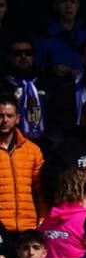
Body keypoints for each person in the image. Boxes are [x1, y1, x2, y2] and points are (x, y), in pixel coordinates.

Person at [0, 92, 45, 234]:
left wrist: (43, 218)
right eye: (0, 116)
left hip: (28, 229)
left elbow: (40, 191)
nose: (4, 120)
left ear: (18, 118)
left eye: (9, 116)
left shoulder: (32, 150)